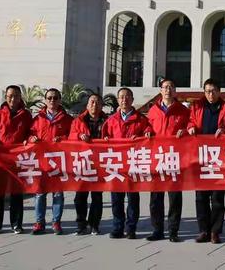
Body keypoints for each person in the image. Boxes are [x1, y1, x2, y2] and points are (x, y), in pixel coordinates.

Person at [187, 79, 225, 244]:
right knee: (200, 196)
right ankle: (203, 230)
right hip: (200, 155)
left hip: (218, 157)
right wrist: (190, 128)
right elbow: (190, 122)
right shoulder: (196, 106)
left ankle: (215, 231)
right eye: (207, 91)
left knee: (217, 197)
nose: (210, 94)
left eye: (214, 90)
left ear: (219, 91)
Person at [102, 87, 152, 239]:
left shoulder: (142, 120)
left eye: (127, 97)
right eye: (121, 97)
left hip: (133, 164)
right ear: (118, 100)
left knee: (132, 198)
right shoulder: (111, 121)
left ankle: (131, 228)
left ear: (132, 100)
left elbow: (148, 134)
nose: (124, 99)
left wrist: (147, 134)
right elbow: (103, 138)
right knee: (116, 198)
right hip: (116, 164)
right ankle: (117, 227)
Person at [146, 78, 189, 242]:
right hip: (156, 158)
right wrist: (148, 131)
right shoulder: (153, 110)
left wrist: (185, 130)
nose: (168, 90)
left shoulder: (182, 110)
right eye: (165, 87)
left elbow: (190, 125)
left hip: (174, 158)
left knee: (174, 198)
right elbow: (147, 126)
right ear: (160, 90)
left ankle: (173, 231)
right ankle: (157, 229)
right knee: (156, 197)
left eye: (171, 87)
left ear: (175, 90)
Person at [28, 88, 73, 235]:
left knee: (58, 193)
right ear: (45, 100)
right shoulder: (38, 118)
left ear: (60, 100)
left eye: (55, 98)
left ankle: (56, 222)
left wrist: (63, 139)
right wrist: (32, 139)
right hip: (41, 161)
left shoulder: (67, 119)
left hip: (59, 162)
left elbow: (73, 137)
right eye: (49, 98)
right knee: (40, 193)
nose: (52, 100)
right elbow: (30, 135)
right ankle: (39, 222)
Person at [0, 85, 33, 234]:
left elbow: (30, 132)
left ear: (21, 97)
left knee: (16, 192)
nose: (13, 99)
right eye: (9, 96)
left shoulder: (26, 115)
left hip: (18, 158)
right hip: (0, 158)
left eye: (16, 96)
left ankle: (16, 223)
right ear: (5, 97)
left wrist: (29, 139)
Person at [69, 94, 108, 235]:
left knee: (97, 196)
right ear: (87, 105)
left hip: (100, 163)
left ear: (102, 105)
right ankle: (81, 223)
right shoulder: (78, 121)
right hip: (83, 162)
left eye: (98, 102)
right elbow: (70, 137)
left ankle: (94, 224)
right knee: (80, 196)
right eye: (92, 102)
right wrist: (79, 136)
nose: (94, 105)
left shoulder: (107, 120)